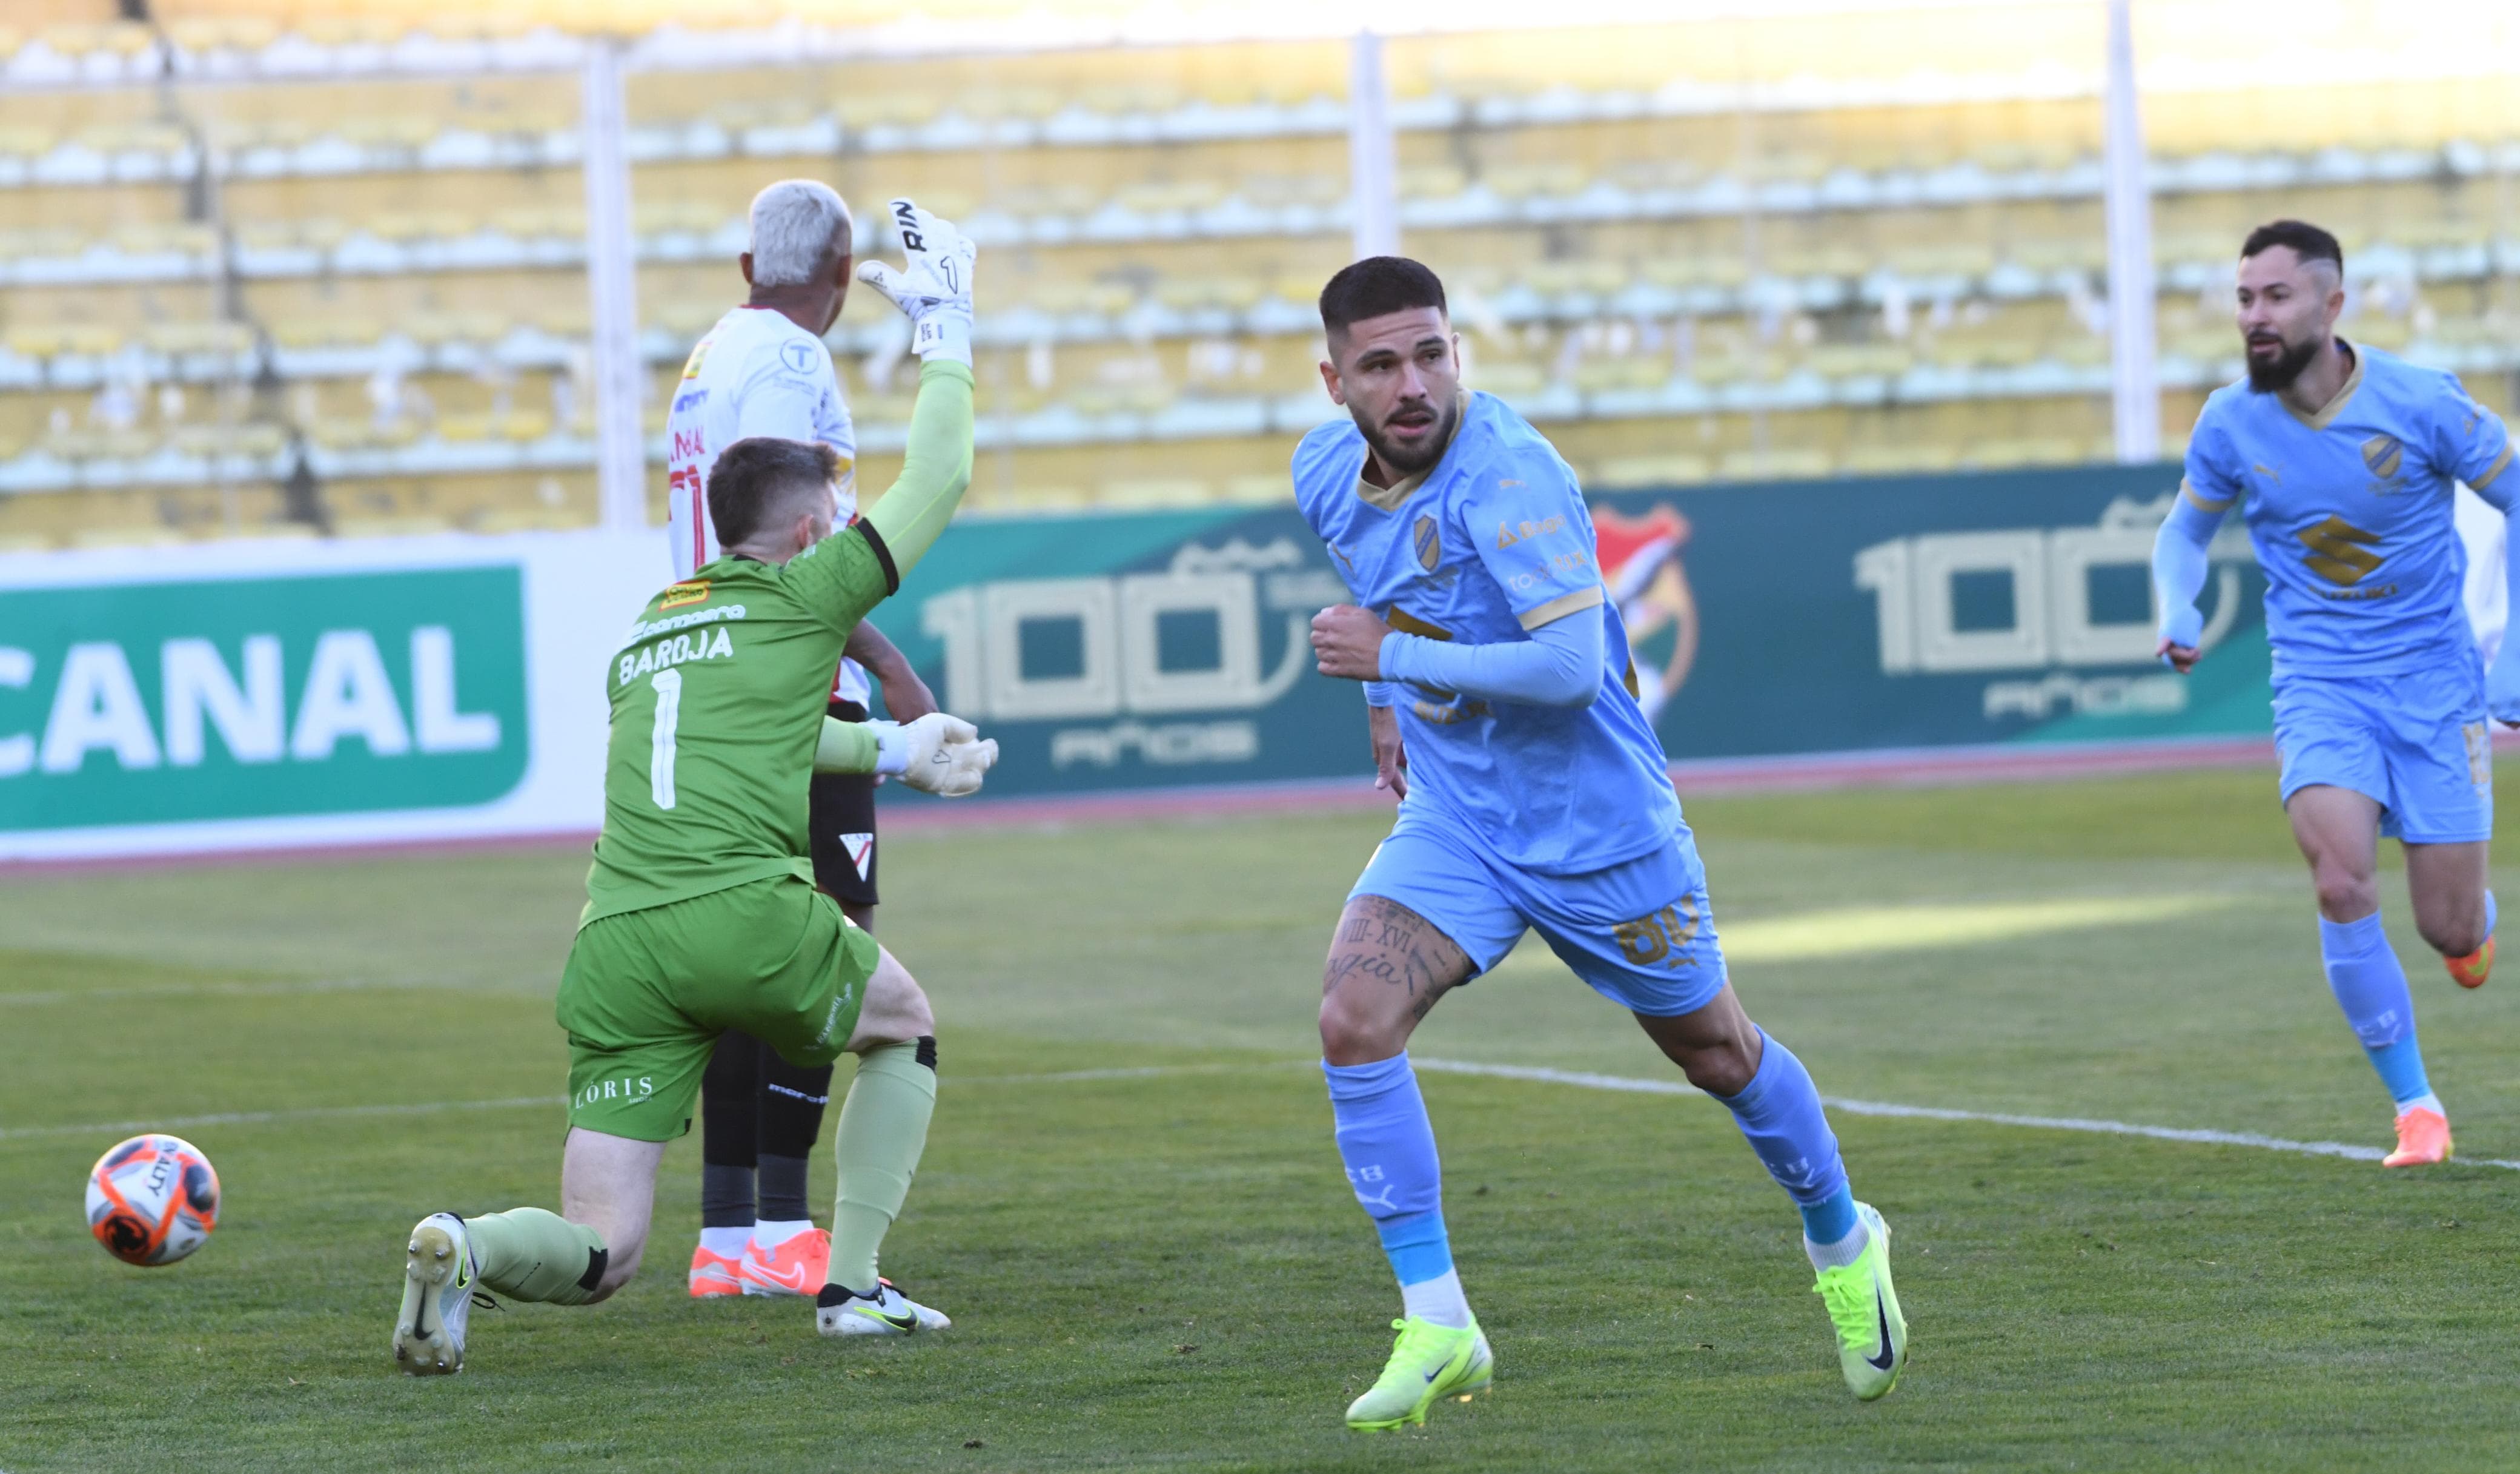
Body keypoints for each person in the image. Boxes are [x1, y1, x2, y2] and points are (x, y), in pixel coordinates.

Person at [1293, 256, 1907, 1432]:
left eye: (1431, 353)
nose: (1412, 384)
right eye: (1380, 365)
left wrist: (1392, 663)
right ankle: (1440, 1321)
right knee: (1351, 1019)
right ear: (1336, 383)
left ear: (1457, 351)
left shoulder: (1509, 473)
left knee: (1718, 1052)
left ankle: (1842, 1236)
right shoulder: (1326, 471)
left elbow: (1571, 670)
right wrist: (1383, 701)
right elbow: (1377, 586)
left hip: (1599, 831)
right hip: (1461, 818)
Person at [392, 202, 990, 1374]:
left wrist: (893, 751)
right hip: (741, 915)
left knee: (603, 1247)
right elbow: (943, 472)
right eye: (832, 520)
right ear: (811, 530)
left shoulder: (647, 631)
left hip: (615, 944)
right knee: (904, 1025)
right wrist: (948, 330)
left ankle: (463, 1243)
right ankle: (853, 1284)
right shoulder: (809, 594)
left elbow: (746, 745)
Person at [2154, 218, 2517, 1167]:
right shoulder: (2230, 420)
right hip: (2321, 684)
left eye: (2276, 296)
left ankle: (2471, 926)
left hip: (2436, 689)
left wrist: (2515, 651)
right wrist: (2178, 605)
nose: (2256, 316)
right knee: (2340, 877)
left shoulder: (2421, 400)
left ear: (2332, 301)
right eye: (2245, 298)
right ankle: (2417, 1109)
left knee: (2447, 927)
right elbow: (2183, 532)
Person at [665, 178, 938, 1300]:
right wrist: (889, 665)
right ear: (839, 274)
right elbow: (794, 544)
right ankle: (782, 1223)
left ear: (748, 268)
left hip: (723, 678)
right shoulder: (788, 359)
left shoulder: (708, 357)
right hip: (797, 684)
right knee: (826, 949)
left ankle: (730, 1235)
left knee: (747, 954)